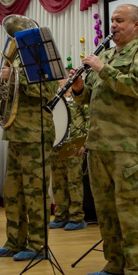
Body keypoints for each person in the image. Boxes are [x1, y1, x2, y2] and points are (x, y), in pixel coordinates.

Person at [71, 4, 138, 275]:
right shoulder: (106, 54)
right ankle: (113, 265)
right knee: (106, 210)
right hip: (98, 145)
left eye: (120, 20)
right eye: (112, 20)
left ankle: (135, 270)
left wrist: (102, 68)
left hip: (127, 147)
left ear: (136, 25)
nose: (114, 25)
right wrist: (78, 89)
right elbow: (89, 100)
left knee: (130, 209)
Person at [0, 43, 58, 261]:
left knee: (35, 193)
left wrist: (15, 79)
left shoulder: (43, 59)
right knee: (12, 192)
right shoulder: (13, 60)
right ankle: (14, 242)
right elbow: (12, 96)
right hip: (15, 133)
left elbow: (48, 91)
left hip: (36, 135)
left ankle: (37, 246)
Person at [49, 72, 90, 231]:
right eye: (59, 81)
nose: (61, 84)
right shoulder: (54, 101)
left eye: (64, 81)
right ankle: (61, 215)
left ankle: (77, 217)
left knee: (74, 182)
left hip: (74, 145)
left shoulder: (79, 99)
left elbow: (89, 120)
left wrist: (83, 143)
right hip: (56, 146)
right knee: (58, 183)